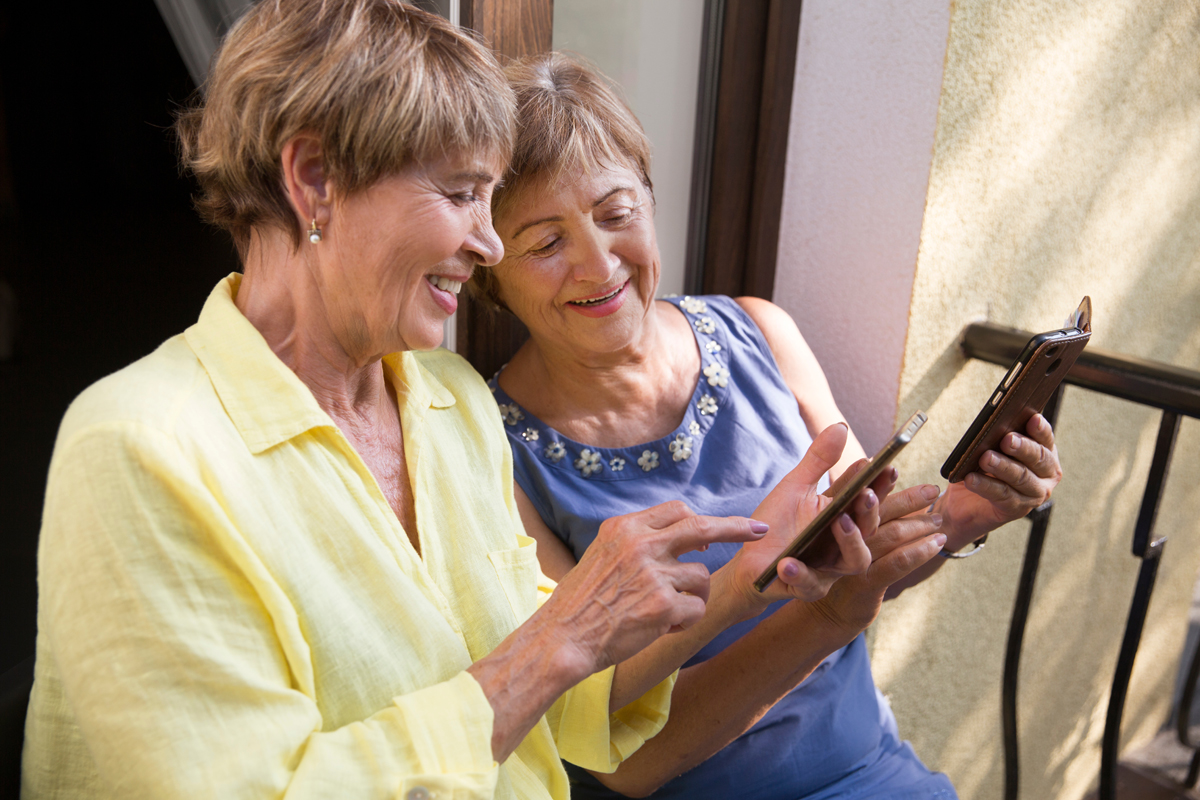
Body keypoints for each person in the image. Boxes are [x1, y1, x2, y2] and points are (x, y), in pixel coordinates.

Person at [19, 3, 945, 799]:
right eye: (463, 194)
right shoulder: (140, 446)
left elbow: (572, 710)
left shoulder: (450, 402)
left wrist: (740, 585)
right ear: (313, 181)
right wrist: (553, 641)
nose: (491, 246)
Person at [478, 53, 1064, 799]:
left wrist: (962, 518)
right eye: (546, 242)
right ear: (489, 268)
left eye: (616, 213)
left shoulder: (760, 329)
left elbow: (867, 561)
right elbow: (629, 766)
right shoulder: (490, 451)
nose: (599, 265)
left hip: (867, 772)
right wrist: (814, 612)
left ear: (652, 203)